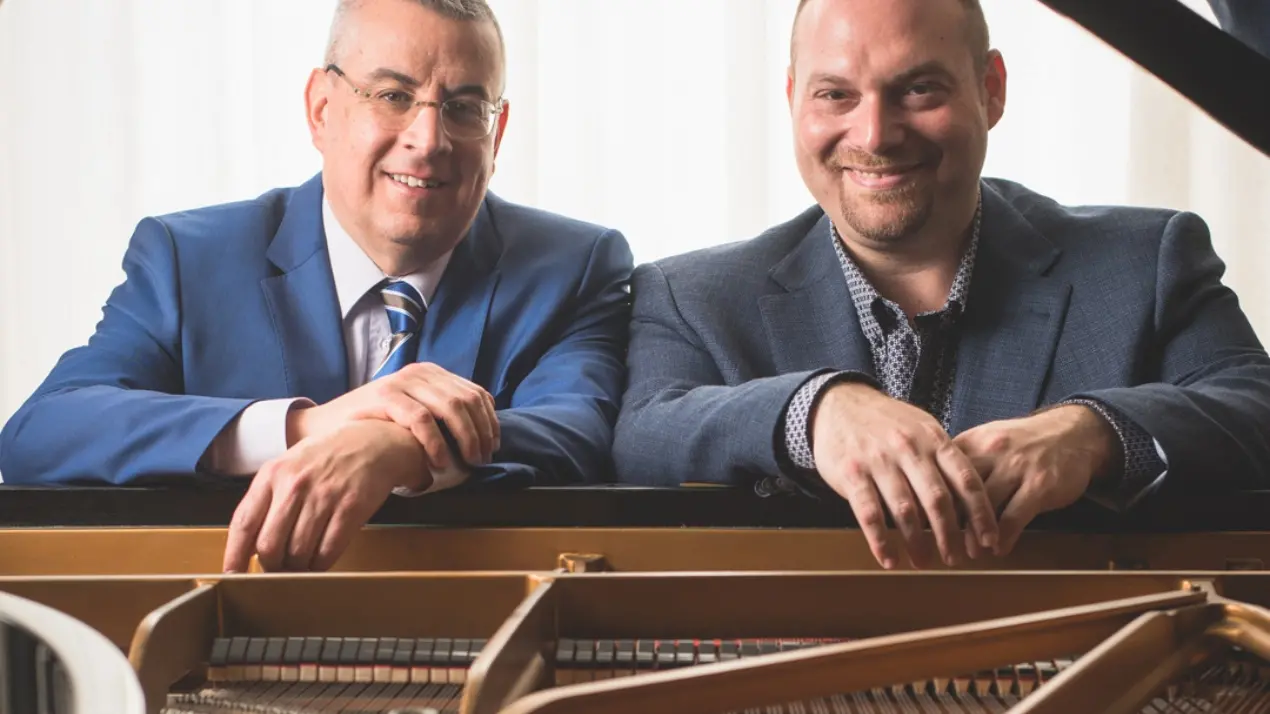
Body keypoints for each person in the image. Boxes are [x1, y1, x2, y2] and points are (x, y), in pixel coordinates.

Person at [613, 0, 1270, 570]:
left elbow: (1256, 406)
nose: (874, 135)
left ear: (991, 90)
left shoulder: (1148, 260)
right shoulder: (689, 295)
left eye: (919, 89)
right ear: (792, 99)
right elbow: (640, 437)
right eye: (836, 94)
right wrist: (811, 414)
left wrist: (1092, 434)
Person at [0, 0, 633, 574]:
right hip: (236, 622)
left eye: (464, 108)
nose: (428, 140)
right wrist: (308, 428)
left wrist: (398, 443)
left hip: (479, 624)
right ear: (321, 109)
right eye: (393, 95)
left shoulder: (575, 266)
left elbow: (581, 432)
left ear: (497, 133)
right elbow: (43, 431)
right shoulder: (187, 258)